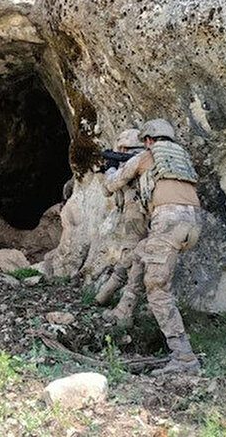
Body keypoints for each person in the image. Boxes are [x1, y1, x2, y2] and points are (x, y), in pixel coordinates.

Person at [104, 118, 202, 376]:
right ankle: (122, 308)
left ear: (148, 140)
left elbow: (112, 185)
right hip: (192, 223)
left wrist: (110, 168)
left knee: (157, 290)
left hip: (168, 222)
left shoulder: (147, 156)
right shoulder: (181, 157)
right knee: (140, 254)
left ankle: (184, 357)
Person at [96, 129, 148, 327]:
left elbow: (107, 188)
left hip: (135, 216)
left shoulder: (133, 162)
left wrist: (110, 167)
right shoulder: (147, 159)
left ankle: (125, 311)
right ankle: (104, 295)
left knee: (134, 259)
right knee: (131, 258)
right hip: (154, 217)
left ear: (124, 148)